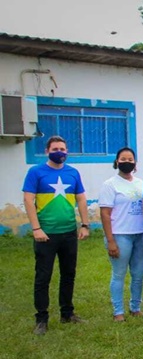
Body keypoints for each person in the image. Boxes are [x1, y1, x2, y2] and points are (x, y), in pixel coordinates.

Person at [23, 135, 90, 335]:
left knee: (68, 274)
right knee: (43, 276)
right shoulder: (36, 172)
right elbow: (28, 200)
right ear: (47, 151)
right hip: (46, 234)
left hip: (69, 232)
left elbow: (81, 199)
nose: (59, 152)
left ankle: (67, 313)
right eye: (55, 149)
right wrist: (36, 228)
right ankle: (41, 319)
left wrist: (85, 224)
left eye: (62, 148)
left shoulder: (73, 173)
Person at [99, 147, 143, 322]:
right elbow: (105, 214)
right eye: (123, 159)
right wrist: (110, 240)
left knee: (138, 274)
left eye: (130, 160)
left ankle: (136, 308)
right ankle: (118, 311)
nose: (126, 162)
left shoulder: (141, 183)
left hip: (140, 234)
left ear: (135, 163)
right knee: (119, 274)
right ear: (116, 162)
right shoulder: (110, 185)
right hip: (120, 235)